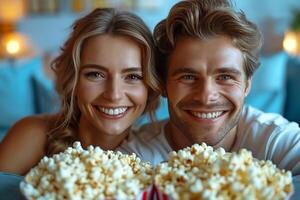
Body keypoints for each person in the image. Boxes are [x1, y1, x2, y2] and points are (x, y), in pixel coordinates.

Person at [118, 0, 300, 178]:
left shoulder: (277, 140)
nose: (206, 97)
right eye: (188, 77)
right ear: (164, 84)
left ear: (247, 84)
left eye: (225, 77)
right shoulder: (133, 155)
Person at [0, 8, 160, 175]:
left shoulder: (160, 153)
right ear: (72, 80)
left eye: (133, 76)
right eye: (96, 74)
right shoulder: (33, 134)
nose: (114, 94)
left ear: (151, 86)